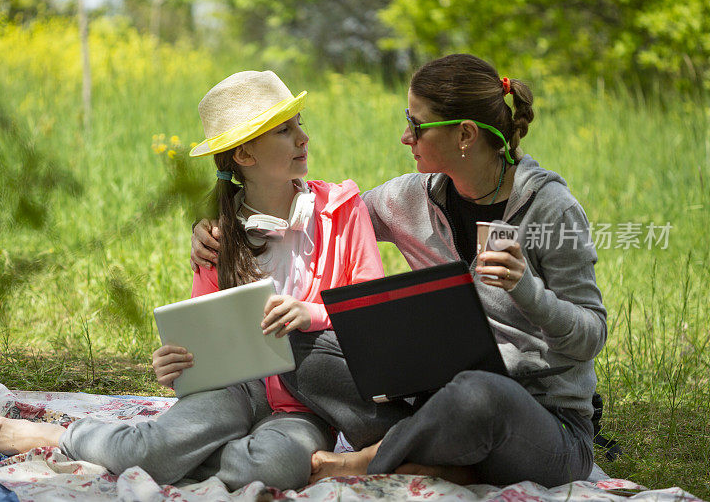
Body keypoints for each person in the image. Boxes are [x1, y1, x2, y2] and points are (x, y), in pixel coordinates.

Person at [190, 54, 607, 487]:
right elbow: (321, 215)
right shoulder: (408, 199)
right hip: (432, 400)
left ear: (464, 134)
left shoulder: (551, 210)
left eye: (418, 125)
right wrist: (220, 228)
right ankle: (436, 457)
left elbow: (591, 334)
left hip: (539, 421)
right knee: (299, 347)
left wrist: (527, 290)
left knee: (479, 394)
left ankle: (372, 458)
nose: (405, 136)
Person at [0, 70, 392, 490]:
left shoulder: (343, 209)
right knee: (158, 449)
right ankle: (63, 436)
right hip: (233, 389)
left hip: (304, 405)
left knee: (275, 470)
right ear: (244, 155)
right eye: (284, 130)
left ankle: (142, 451)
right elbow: (204, 333)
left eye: (300, 124)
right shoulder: (216, 238)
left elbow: (373, 312)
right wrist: (175, 363)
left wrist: (311, 314)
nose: (303, 138)